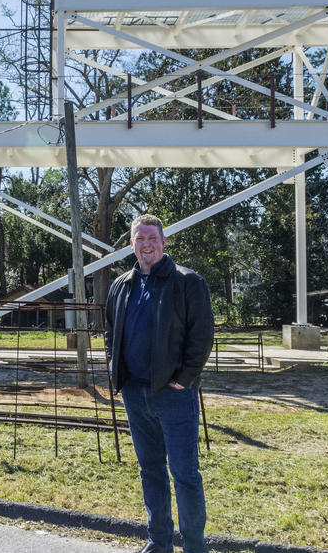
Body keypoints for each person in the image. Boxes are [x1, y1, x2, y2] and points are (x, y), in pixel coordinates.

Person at [105, 214, 214, 553]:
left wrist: (183, 381)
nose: (147, 244)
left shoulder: (187, 282)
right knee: (151, 470)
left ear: (164, 242)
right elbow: (111, 333)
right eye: (140, 239)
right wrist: (118, 377)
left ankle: (195, 547)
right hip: (135, 394)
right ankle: (159, 543)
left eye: (152, 238)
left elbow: (203, 336)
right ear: (131, 245)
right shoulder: (121, 286)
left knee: (184, 474)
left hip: (174, 396)